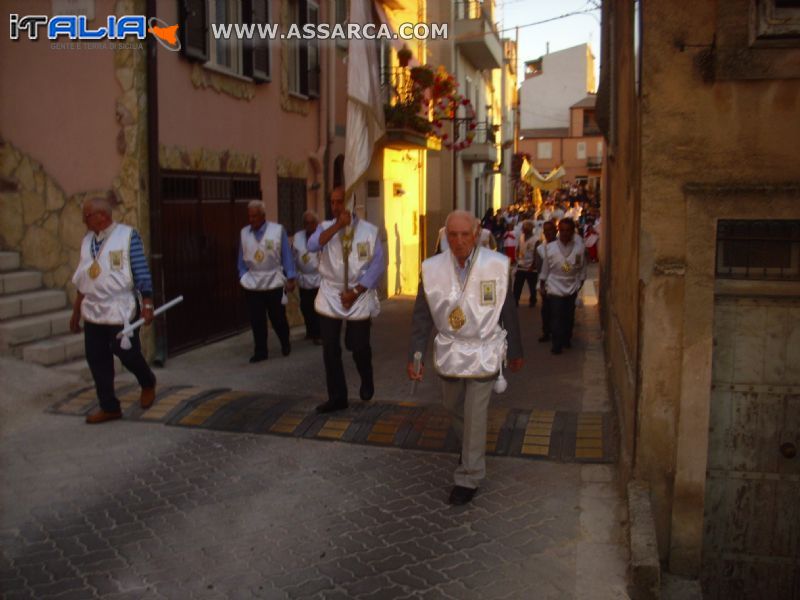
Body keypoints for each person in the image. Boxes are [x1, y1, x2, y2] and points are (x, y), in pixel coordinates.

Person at [407, 210, 523, 506]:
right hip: (450, 350)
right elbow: (422, 316)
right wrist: (416, 355)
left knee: (475, 414)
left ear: (477, 233)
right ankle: (471, 448)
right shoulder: (431, 269)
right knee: (452, 406)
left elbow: (507, 309)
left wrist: (517, 350)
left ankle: (469, 475)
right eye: (452, 235)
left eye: (464, 234)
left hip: (484, 349)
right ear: (445, 235)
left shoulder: (495, 265)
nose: (458, 241)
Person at [69, 197, 157, 424]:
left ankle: (147, 381)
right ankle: (109, 406)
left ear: (101, 216)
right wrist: (76, 310)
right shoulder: (87, 240)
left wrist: (147, 302)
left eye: (86, 215)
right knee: (96, 357)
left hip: (120, 306)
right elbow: (83, 278)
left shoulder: (128, 236)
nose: (83, 220)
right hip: (93, 308)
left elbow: (141, 270)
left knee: (126, 353)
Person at [308, 187, 386, 413]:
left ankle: (366, 378)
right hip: (331, 294)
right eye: (332, 202)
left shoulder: (370, 232)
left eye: (340, 201)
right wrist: (337, 226)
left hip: (358, 294)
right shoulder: (325, 228)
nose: (335, 206)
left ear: (350, 204)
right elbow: (313, 245)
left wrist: (356, 291)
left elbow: (377, 265)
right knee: (330, 347)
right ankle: (337, 397)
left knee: (359, 346)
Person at [238, 200, 296, 362]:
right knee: (257, 320)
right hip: (253, 283)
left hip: (273, 281)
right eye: (249, 216)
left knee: (278, 317)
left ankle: (285, 341)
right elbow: (241, 258)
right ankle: (261, 351)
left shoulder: (277, 231)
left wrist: (290, 277)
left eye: (255, 216)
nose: (251, 220)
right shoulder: (244, 233)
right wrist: (242, 275)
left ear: (263, 216)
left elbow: (286, 255)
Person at [539, 218, 586, 355]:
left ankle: (566, 338)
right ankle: (556, 344)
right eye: (562, 230)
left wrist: (580, 282)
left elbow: (582, 268)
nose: (565, 233)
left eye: (568, 231)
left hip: (571, 286)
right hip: (555, 286)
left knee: (568, 316)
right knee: (556, 316)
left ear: (572, 232)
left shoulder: (579, 248)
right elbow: (545, 268)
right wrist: (542, 284)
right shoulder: (550, 248)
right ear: (559, 230)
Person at [292, 210, 322, 344]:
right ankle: (310, 332)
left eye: (312, 223)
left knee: (318, 309)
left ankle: (318, 334)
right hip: (303, 279)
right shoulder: (298, 237)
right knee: (306, 307)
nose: (309, 225)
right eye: (306, 223)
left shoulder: (322, 235)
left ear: (316, 223)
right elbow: (293, 256)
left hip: (319, 279)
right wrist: (292, 275)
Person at [536, 220, 558, 343]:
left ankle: (559, 333)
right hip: (547, 284)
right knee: (547, 310)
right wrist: (542, 285)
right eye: (546, 231)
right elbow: (539, 269)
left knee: (558, 311)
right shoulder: (540, 248)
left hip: (561, 284)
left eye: (551, 230)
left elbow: (566, 266)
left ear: (555, 231)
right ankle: (547, 331)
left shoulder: (562, 246)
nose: (548, 233)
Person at [513, 221, 538, 307]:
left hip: (531, 266)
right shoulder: (521, 237)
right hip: (521, 264)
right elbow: (518, 247)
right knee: (517, 284)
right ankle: (515, 299)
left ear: (530, 229)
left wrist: (533, 265)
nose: (523, 230)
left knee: (532, 285)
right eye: (523, 228)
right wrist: (516, 256)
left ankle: (533, 300)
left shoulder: (536, 240)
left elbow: (536, 253)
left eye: (525, 228)